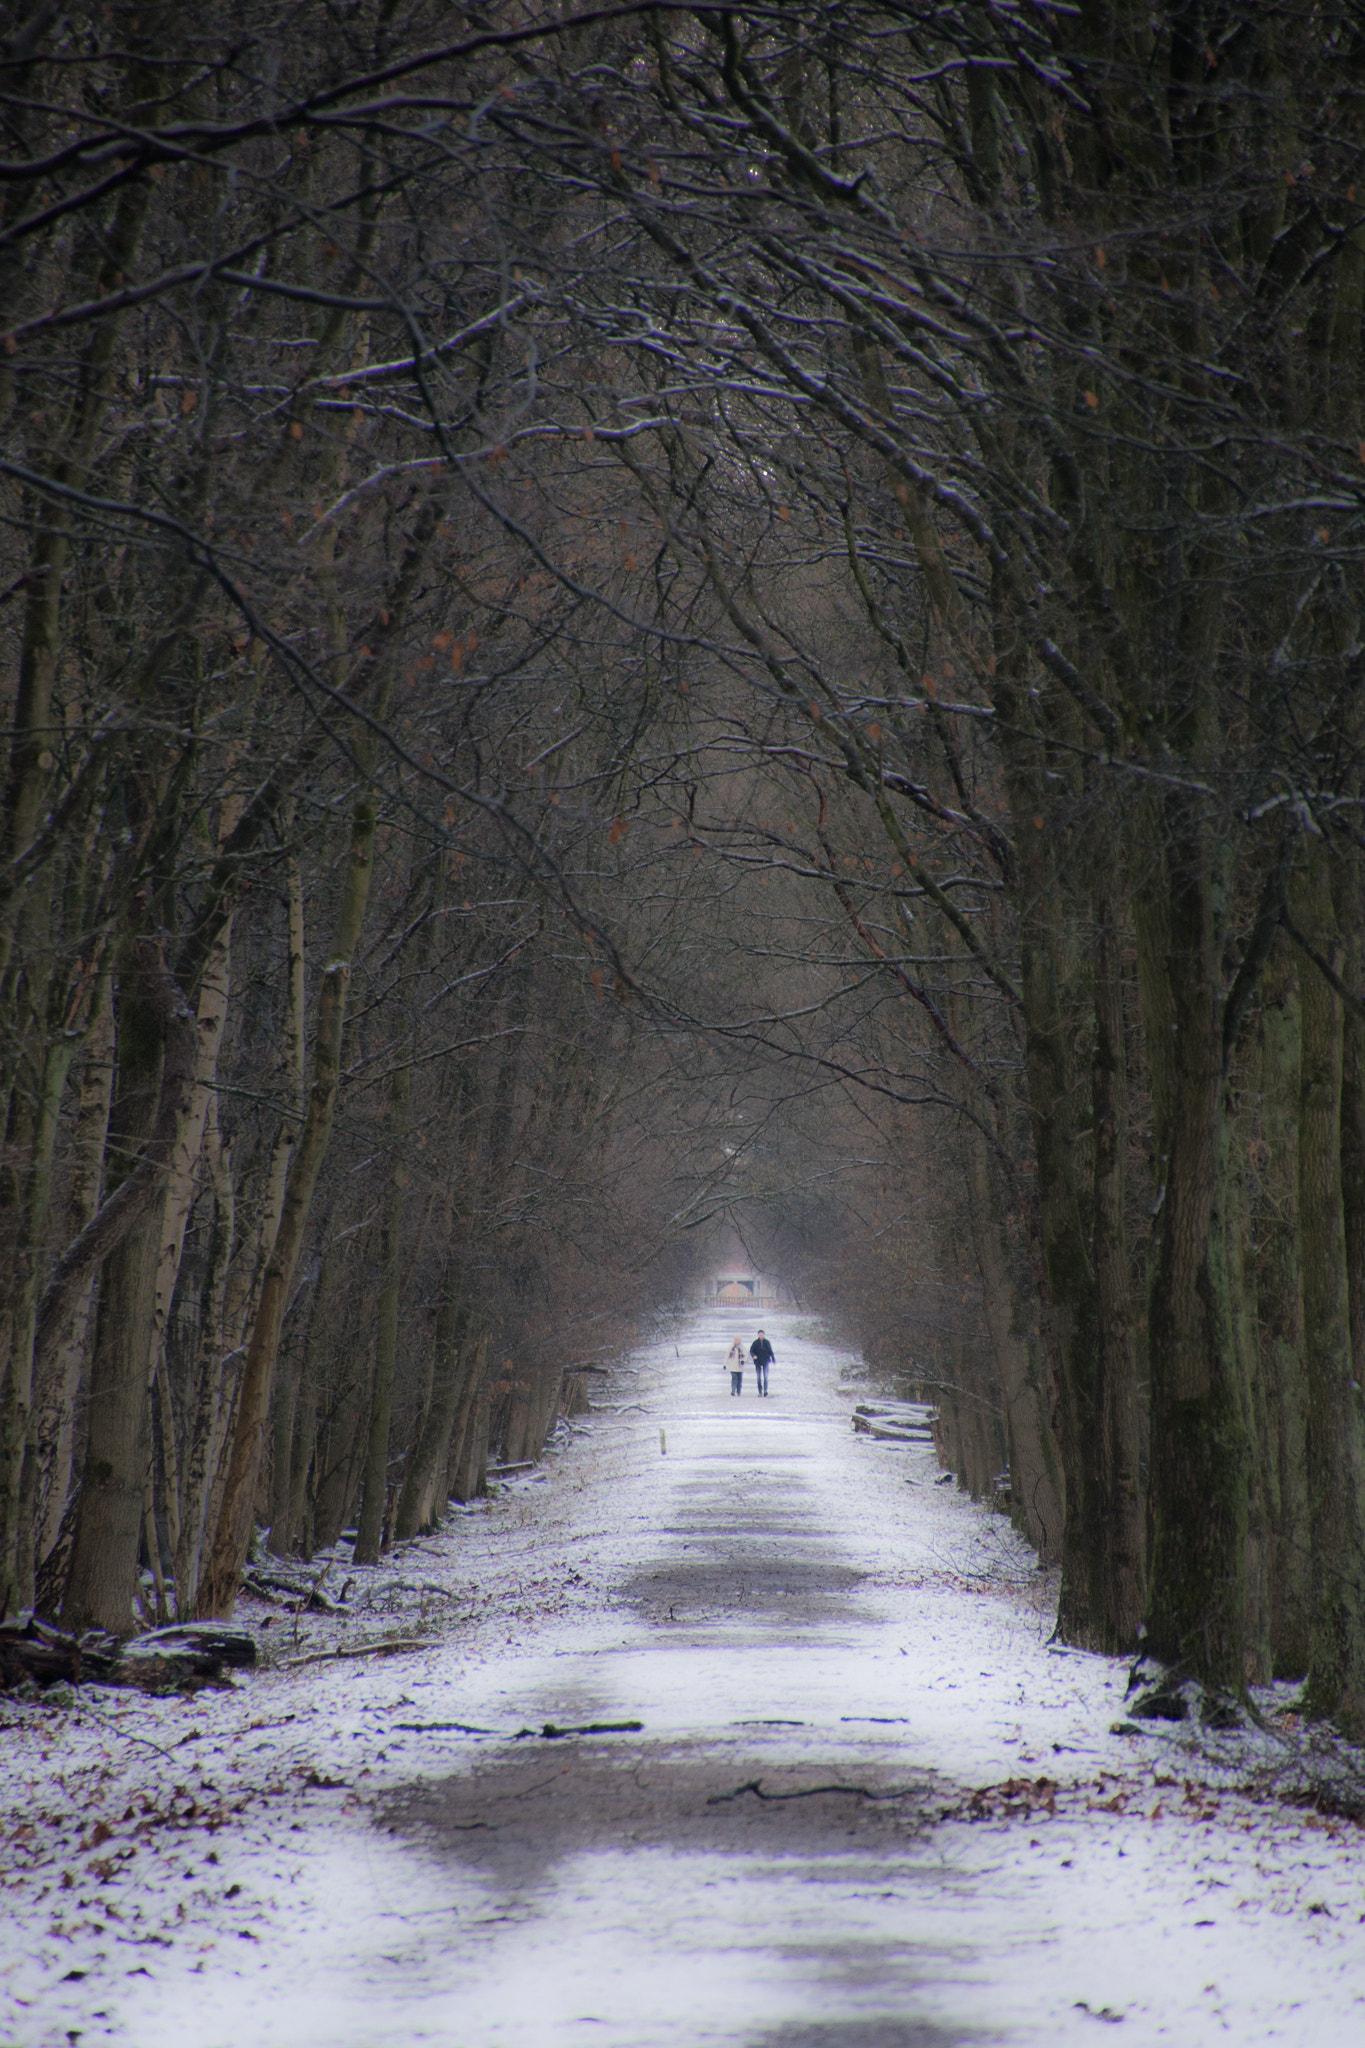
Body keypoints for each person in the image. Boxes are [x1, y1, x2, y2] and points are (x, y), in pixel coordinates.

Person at [750, 1328, 774, 1397]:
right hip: (757, 1362)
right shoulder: (755, 1342)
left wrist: (773, 1358)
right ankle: (760, 1391)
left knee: (766, 1377)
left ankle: (765, 1390)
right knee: (758, 1377)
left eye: (762, 1334)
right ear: (758, 1335)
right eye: (759, 1334)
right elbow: (751, 1350)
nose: (761, 1335)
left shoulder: (767, 1342)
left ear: (764, 1335)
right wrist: (753, 1355)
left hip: (765, 1361)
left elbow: (770, 1351)